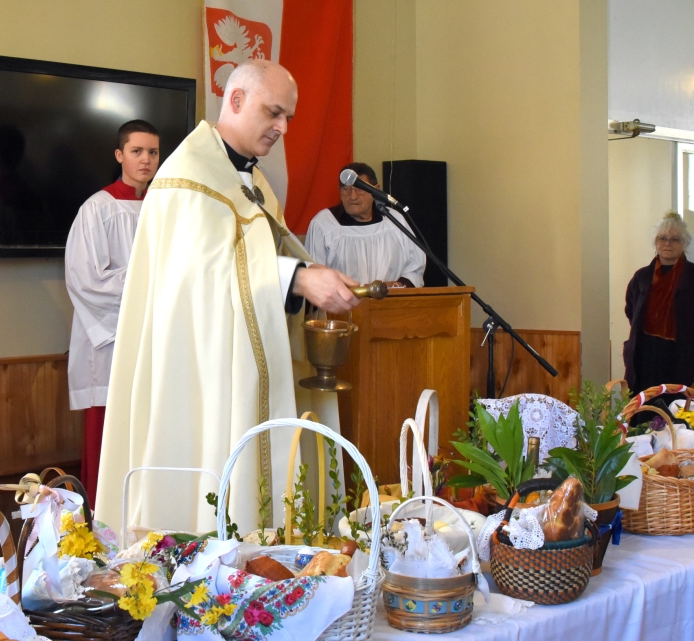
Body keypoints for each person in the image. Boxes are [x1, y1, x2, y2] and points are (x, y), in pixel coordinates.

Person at [95, 60, 362, 533]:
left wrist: (309, 270)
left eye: (289, 118)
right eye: (274, 112)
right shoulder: (189, 177)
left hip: (245, 364)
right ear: (236, 100)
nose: (282, 127)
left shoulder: (250, 181)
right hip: (203, 373)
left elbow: (259, 254)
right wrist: (297, 278)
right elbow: (199, 278)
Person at [64, 120, 160, 505]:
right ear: (120, 155)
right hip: (111, 342)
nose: (146, 160)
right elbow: (86, 280)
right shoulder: (97, 209)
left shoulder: (164, 208)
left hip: (154, 338)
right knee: (108, 437)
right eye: (137, 151)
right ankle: (103, 523)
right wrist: (149, 284)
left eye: (153, 152)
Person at [623, 212, 694, 400]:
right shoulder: (642, 277)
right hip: (648, 354)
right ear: (655, 243)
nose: (667, 244)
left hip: (687, 355)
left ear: (685, 244)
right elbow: (631, 310)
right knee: (649, 408)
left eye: (675, 239)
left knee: (685, 411)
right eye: (662, 238)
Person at [304, 162, 426, 288]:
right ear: (339, 191)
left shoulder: (394, 221)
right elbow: (314, 275)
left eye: (359, 189)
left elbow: (415, 268)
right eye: (346, 189)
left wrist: (395, 285)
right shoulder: (324, 224)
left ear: (375, 190)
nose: (352, 196)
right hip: (344, 304)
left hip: (390, 303)